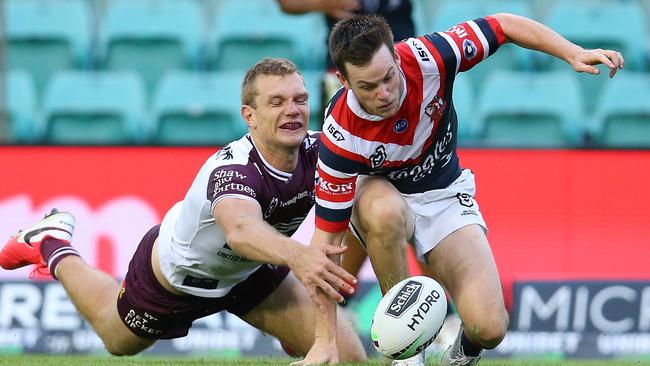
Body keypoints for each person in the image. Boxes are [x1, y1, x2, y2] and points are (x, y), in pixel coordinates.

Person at [0, 58, 367, 364]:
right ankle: (52, 241)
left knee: (349, 358)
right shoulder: (233, 169)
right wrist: (301, 258)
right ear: (249, 116)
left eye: (300, 100)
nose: (292, 111)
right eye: (276, 102)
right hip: (176, 278)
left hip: (251, 273)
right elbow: (240, 230)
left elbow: (370, 186)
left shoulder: (321, 153)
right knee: (116, 340)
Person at [309, 13, 624, 366]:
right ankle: (407, 352)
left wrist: (571, 52)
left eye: (388, 77)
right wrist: (324, 339)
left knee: (490, 327)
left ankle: (457, 358)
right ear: (344, 80)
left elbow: (502, 25)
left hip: (442, 194)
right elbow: (325, 244)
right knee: (385, 211)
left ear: (397, 58)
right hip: (378, 196)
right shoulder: (340, 134)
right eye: (368, 86)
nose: (384, 93)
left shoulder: (430, 56)